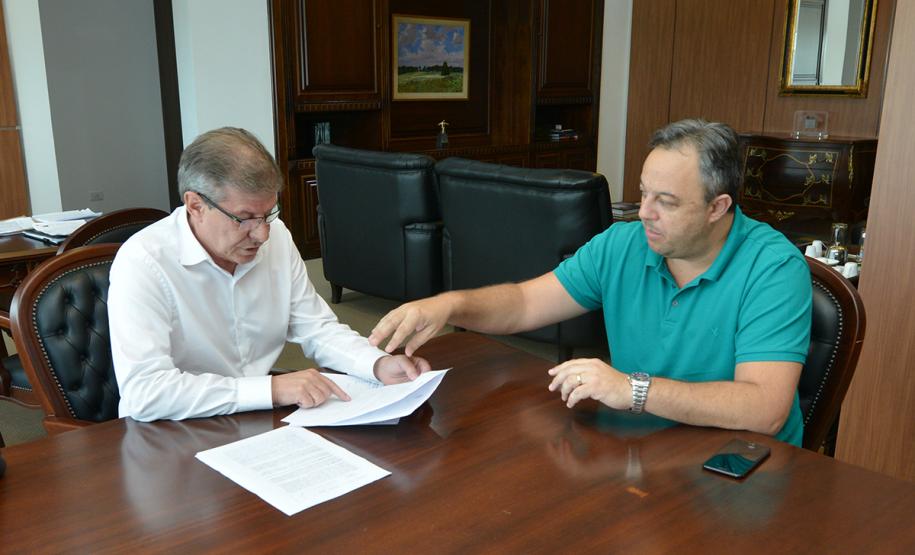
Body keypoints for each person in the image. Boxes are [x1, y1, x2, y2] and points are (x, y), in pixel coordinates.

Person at [368, 119, 812, 446]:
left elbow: (764, 410)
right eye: (643, 193)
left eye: (666, 202)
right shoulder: (624, 243)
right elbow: (525, 303)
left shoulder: (773, 269)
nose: (644, 213)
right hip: (643, 446)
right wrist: (449, 306)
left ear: (718, 207)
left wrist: (632, 388)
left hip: (740, 465)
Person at [109, 127, 430, 421]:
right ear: (195, 205)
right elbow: (146, 393)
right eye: (245, 218)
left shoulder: (276, 237)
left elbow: (316, 329)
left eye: (268, 214)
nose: (261, 234)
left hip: (258, 419)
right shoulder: (143, 262)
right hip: (171, 432)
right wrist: (271, 390)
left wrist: (376, 365)